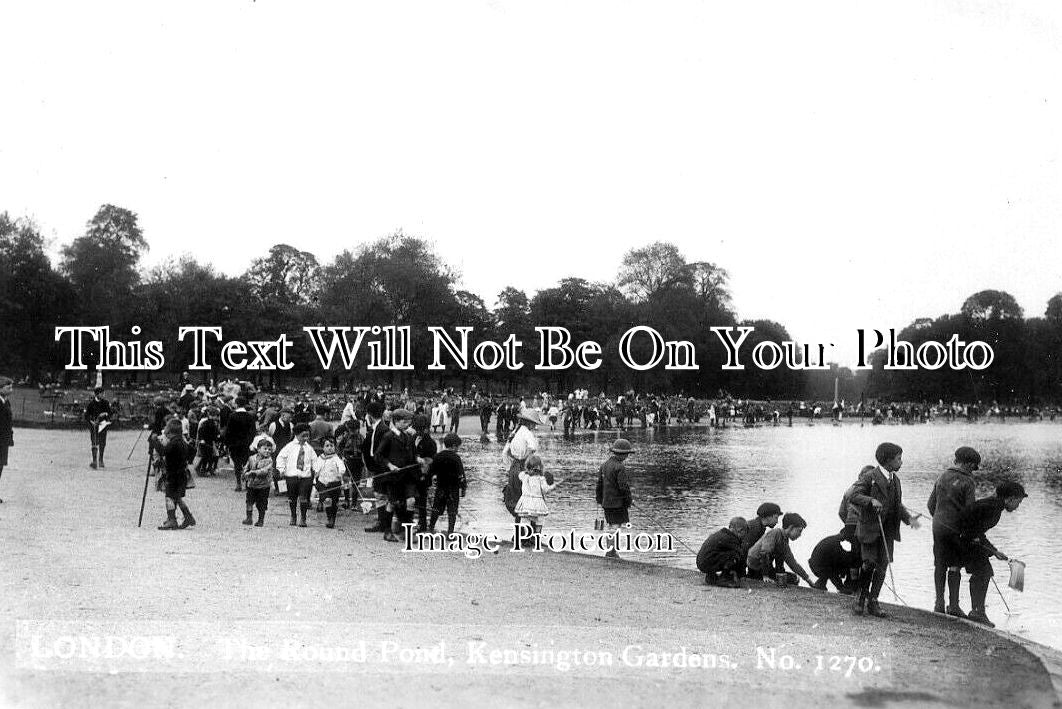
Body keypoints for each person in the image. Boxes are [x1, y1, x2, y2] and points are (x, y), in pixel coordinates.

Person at [849, 442, 920, 618]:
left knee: (882, 565)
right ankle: (861, 598)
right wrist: (870, 500)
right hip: (870, 530)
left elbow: (897, 505)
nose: (901, 462)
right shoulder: (869, 476)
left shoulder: (896, 480)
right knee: (869, 563)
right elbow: (853, 495)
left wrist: (908, 519)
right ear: (888, 460)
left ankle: (874, 600)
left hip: (888, 530)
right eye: (899, 459)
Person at [956, 481, 1027, 627]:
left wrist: (993, 551)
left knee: (983, 572)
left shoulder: (992, 505)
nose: (1017, 506)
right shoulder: (993, 508)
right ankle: (977, 612)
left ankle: (977, 611)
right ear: (1010, 499)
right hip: (963, 539)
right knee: (983, 572)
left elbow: (977, 530)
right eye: (1018, 502)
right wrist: (989, 549)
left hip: (963, 538)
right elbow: (971, 527)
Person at [927, 446, 980, 616]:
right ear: (969, 464)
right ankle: (954, 606)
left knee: (940, 564)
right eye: (973, 467)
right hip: (956, 529)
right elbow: (970, 510)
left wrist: (939, 518)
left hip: (938, 526)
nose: (973, 471)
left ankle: (938, 603)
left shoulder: (942, 476)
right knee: (955, 565)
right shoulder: (968, 481)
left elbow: (930, 504)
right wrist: (972, 533)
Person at [375, 408, 418, 542]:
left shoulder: (408, 437)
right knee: (392, 504)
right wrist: (390, 465)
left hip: (407, 476)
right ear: (396, 421)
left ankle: (408, 531)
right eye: (405, 422)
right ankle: (387, 532)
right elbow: (378, 455)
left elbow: (412, 455)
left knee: (411, 501)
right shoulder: (388, 436)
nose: (407, 425)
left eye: (409, 423)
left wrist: (418, 459)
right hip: (393, 477)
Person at [745, 512, 814, 586]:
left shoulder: (784, 539)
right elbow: (764, 553)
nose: (800, 535)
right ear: (791, 527)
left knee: (793, 578)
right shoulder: (775, 533)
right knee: (792, 579)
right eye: (799, 531)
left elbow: (792, 562)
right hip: (756, 567)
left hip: (762, 567)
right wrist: (765, 576)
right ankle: (757, 577)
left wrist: (808, 580)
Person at [502, 408, 544, 523]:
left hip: (514, 468)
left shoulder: (515, 432)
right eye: (534, 424)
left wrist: (509, 468)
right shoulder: (527, 433)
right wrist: (528, 461)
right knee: (530, 500)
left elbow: (505, 452)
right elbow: (532, 448)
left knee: (517, 500)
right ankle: (528, 536)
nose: (534, 426)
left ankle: (518, 532)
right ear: (529, 423)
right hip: (523, 468)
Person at [595, 439, 635, 559]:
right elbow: (623, 487)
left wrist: (599, 499)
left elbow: (599, 485)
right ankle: (612, 551)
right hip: (617, 503)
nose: (627, 456)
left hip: (606, 502)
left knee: (611, 526)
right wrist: (629, 500)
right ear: (623, 454)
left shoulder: (604, 465)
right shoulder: (620, 467)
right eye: (627, 453)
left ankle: (610, 550)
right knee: (616, 527)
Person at [275, 423, 317, 527]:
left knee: (303, 498)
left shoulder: (309, 448)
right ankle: (293, 516)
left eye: (307, 436)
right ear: (297, 435)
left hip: (305, 476)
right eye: (303, 436)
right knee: (292, 498)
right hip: (292, 475)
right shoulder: (289, 447)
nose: (306, 438)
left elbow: (315, 460)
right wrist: (281, 469)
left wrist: (316, 471)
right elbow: (280, 457)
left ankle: (303, 518)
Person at [158, 418, 195, 530]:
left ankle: (172, 520)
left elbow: (163, 451)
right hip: (181, 473)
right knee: (177, 497)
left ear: (170, 432)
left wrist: (154, 442)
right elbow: (192, 451)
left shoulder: (173, 443)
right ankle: (188, 516)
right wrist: (186, 461)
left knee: (169, 496)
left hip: (173, 474)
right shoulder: (182, 442)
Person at [362, 402, 392, 535]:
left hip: (381, 468)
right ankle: (382, 522)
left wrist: (374, 467)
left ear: (369, 415)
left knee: (382, 494)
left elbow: (378, 452)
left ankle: (385, 523)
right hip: (377, 467)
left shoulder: (382, 429)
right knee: (379, 494)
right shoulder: (376, 428)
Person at [514, 455, 560, 539]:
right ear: (540, 468)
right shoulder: (541, 479)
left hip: (525, 502)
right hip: (537, 503)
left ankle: (525, 538)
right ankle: (537, 538)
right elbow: (546, 490)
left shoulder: (524, 476)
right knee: (539, 520)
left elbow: (520, 474)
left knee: (525, 520)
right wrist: (554, 486)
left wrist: (527, 471)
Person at [429, 433, 467, 534]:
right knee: (452, 512)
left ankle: (431, 528)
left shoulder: (437, 456)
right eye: (458, 446)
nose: (458, 448)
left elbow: (432, 471)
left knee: (436, 509)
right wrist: (463, 488)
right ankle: (450, 533)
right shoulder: (456, 458)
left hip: (441, 487)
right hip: (453, 489)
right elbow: (461, 476)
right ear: (454, 446)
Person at [696, 517, 748, 587]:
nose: (745, 536)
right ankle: (724, 579)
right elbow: (741, 556)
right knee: (735, 555)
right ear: (740, 530)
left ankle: (711, 577)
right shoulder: (732, 539)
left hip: (701, 563)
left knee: (720, 554)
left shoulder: (720, 534)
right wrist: (742, 575)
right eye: (745, 532)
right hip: (707, 563)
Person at [809, 528, 860, 593]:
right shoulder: (835, 544)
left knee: (835, 564)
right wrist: (841, 587)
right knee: (835, 566)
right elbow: (833, 572)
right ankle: (844, 587)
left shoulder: (833, 540)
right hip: (820, 567)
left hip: (815, 565)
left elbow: (841, 554)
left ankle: (821, 584)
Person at [313, 436, 347, 529]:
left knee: (334, 502)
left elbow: (341, 467)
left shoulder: (336, 458)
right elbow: (316, 468)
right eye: (327, 446)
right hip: (323, 482)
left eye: (331, 445)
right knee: (327, 500)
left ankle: (333, 518)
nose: (329, 448)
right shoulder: (320, 458)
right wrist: (315, 473)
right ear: (323, 448)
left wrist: (340, 473)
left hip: (334, 483)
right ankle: (329, 518)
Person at [225, 397, 257, 492]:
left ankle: (238, 483)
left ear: (236, 404)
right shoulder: (250, 416)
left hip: (235, 444)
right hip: (246, 444)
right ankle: (247, 483)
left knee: (237, 464)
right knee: (247, 463)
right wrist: (250, 441)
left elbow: (229, 431)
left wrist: (228, 443)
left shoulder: (232, 416)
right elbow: (253, 431)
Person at [242, 438, 275, 526]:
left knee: (261, 504)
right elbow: (246, 467)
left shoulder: (270, 461)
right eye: (265, 449)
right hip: (251, 485)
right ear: (258, 449)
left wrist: (253, 472)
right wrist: (245, 473)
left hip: (263, 486)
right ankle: (249, 518)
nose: (267, 451)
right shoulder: (251, 458)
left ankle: (261, 520)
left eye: (269, 449)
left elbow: (265, 471)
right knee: (249, 501)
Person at [742, 502, 783, 567]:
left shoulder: (759, 526)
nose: (777, 521)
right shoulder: (755, 528)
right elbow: (745, 550)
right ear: (768, 517)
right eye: (776, 517)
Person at [84, 386, 113, 469]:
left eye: (103, 393)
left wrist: (105, 414)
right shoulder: (91, 404)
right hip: (94, 425)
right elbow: (86, 415)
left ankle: (101, 460)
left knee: (102, 442)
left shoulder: (105, 403)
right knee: (94, 442)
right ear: (97, 394)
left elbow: (110, 412)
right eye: (101, 393)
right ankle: (94, 461)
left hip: (103, 425)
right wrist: (91, 421)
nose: (103, 395)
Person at [0, 376, 13, 504]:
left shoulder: (6, 401)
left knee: (0, 466)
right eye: (8, 387)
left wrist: (10, 437)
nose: (11, 390)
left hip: (3, 440)